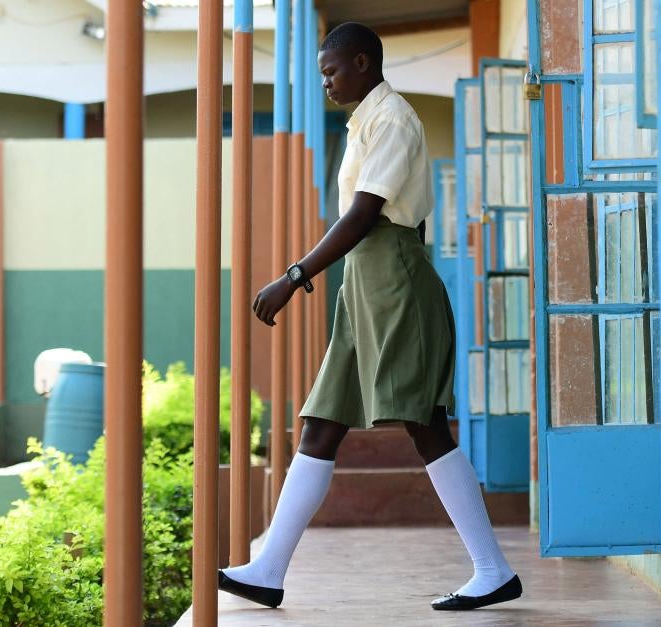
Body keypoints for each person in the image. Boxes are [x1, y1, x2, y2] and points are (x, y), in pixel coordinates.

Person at [218, 21, 522, 612]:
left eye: (332, 71)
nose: (327, 82)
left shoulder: (394, 120)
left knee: (423, 421)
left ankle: (493, 569)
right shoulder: (364, 122)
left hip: (395, 282)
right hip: (363, 284)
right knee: (321, 424)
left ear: (362, 62)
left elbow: (363, 217)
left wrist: (293, 276)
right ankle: (268, 570)